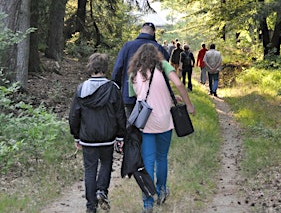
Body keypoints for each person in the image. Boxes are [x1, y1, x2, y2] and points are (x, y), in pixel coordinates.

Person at [127, 43, 195, 212]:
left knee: (148, 161)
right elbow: (179, 84)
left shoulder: (134, 72)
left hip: (145, 122)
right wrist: (188, 104)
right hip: (164, 120)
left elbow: (138, 96)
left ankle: (148, 202)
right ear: (156, 54)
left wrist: (169, 98)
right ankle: (161, 190)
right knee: (161, 158)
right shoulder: (163, 66)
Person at [69, 53, 126, 213]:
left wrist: (76, 135)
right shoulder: (113, 88)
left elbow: (74, 114)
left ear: (90, 66)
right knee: (106, 164)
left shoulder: (81, 88)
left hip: (88, 137)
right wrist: (121, 136)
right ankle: (102, 190)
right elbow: (120, 114)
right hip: (107, 137)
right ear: (105, 68)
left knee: (89, 169)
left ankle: (90, 206)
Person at [112, 22, 170, 117]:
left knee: (130, 123)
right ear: (153, 33)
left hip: (129, 93)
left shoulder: (128, 46)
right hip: (151, 95)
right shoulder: (158, 48)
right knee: (148, 126)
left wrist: (117, 86)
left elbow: (118, 68)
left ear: (141, 31)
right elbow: (165, 70)